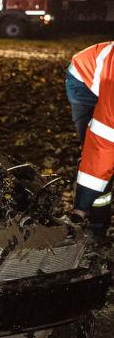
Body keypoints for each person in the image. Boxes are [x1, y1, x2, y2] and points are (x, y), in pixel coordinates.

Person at [66, 42, 114, 238]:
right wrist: (79, 210)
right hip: (84, 81)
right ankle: (96, 225)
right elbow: (101, 151)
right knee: (98, 161)